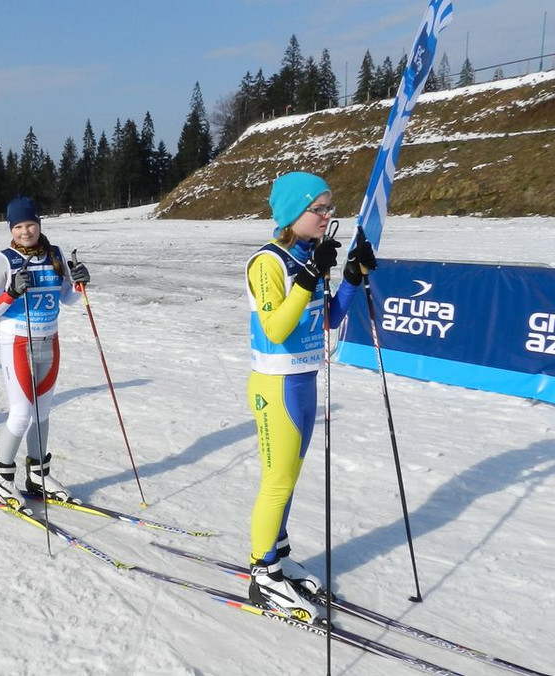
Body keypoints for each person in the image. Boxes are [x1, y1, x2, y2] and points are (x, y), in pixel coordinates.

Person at [245, 171, 376, 624]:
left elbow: (329, 317)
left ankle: (278, 556)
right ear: (291, 214)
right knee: (276, 481)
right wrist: (308, 275)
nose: (326, 216)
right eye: (317, 209)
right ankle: (263, 572)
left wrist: (353, 279)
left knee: (289, 478)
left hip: (304, 380)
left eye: (328, 208)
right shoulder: (270, 262)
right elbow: (276, 328)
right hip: (276, 383)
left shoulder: (307, 256)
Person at [0, 196, 90, 510]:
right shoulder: (4, 259)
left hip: (49, 340)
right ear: (10, 229)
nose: (25, 231)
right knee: (21, 414)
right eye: (18, 226)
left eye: (30, 224)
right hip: (17, 342)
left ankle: (38, 474)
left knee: (42, 413)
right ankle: (1, 477)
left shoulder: (54, 254)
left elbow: (66, 297)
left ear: (39, 224)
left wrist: (80, 283)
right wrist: (11, 291)